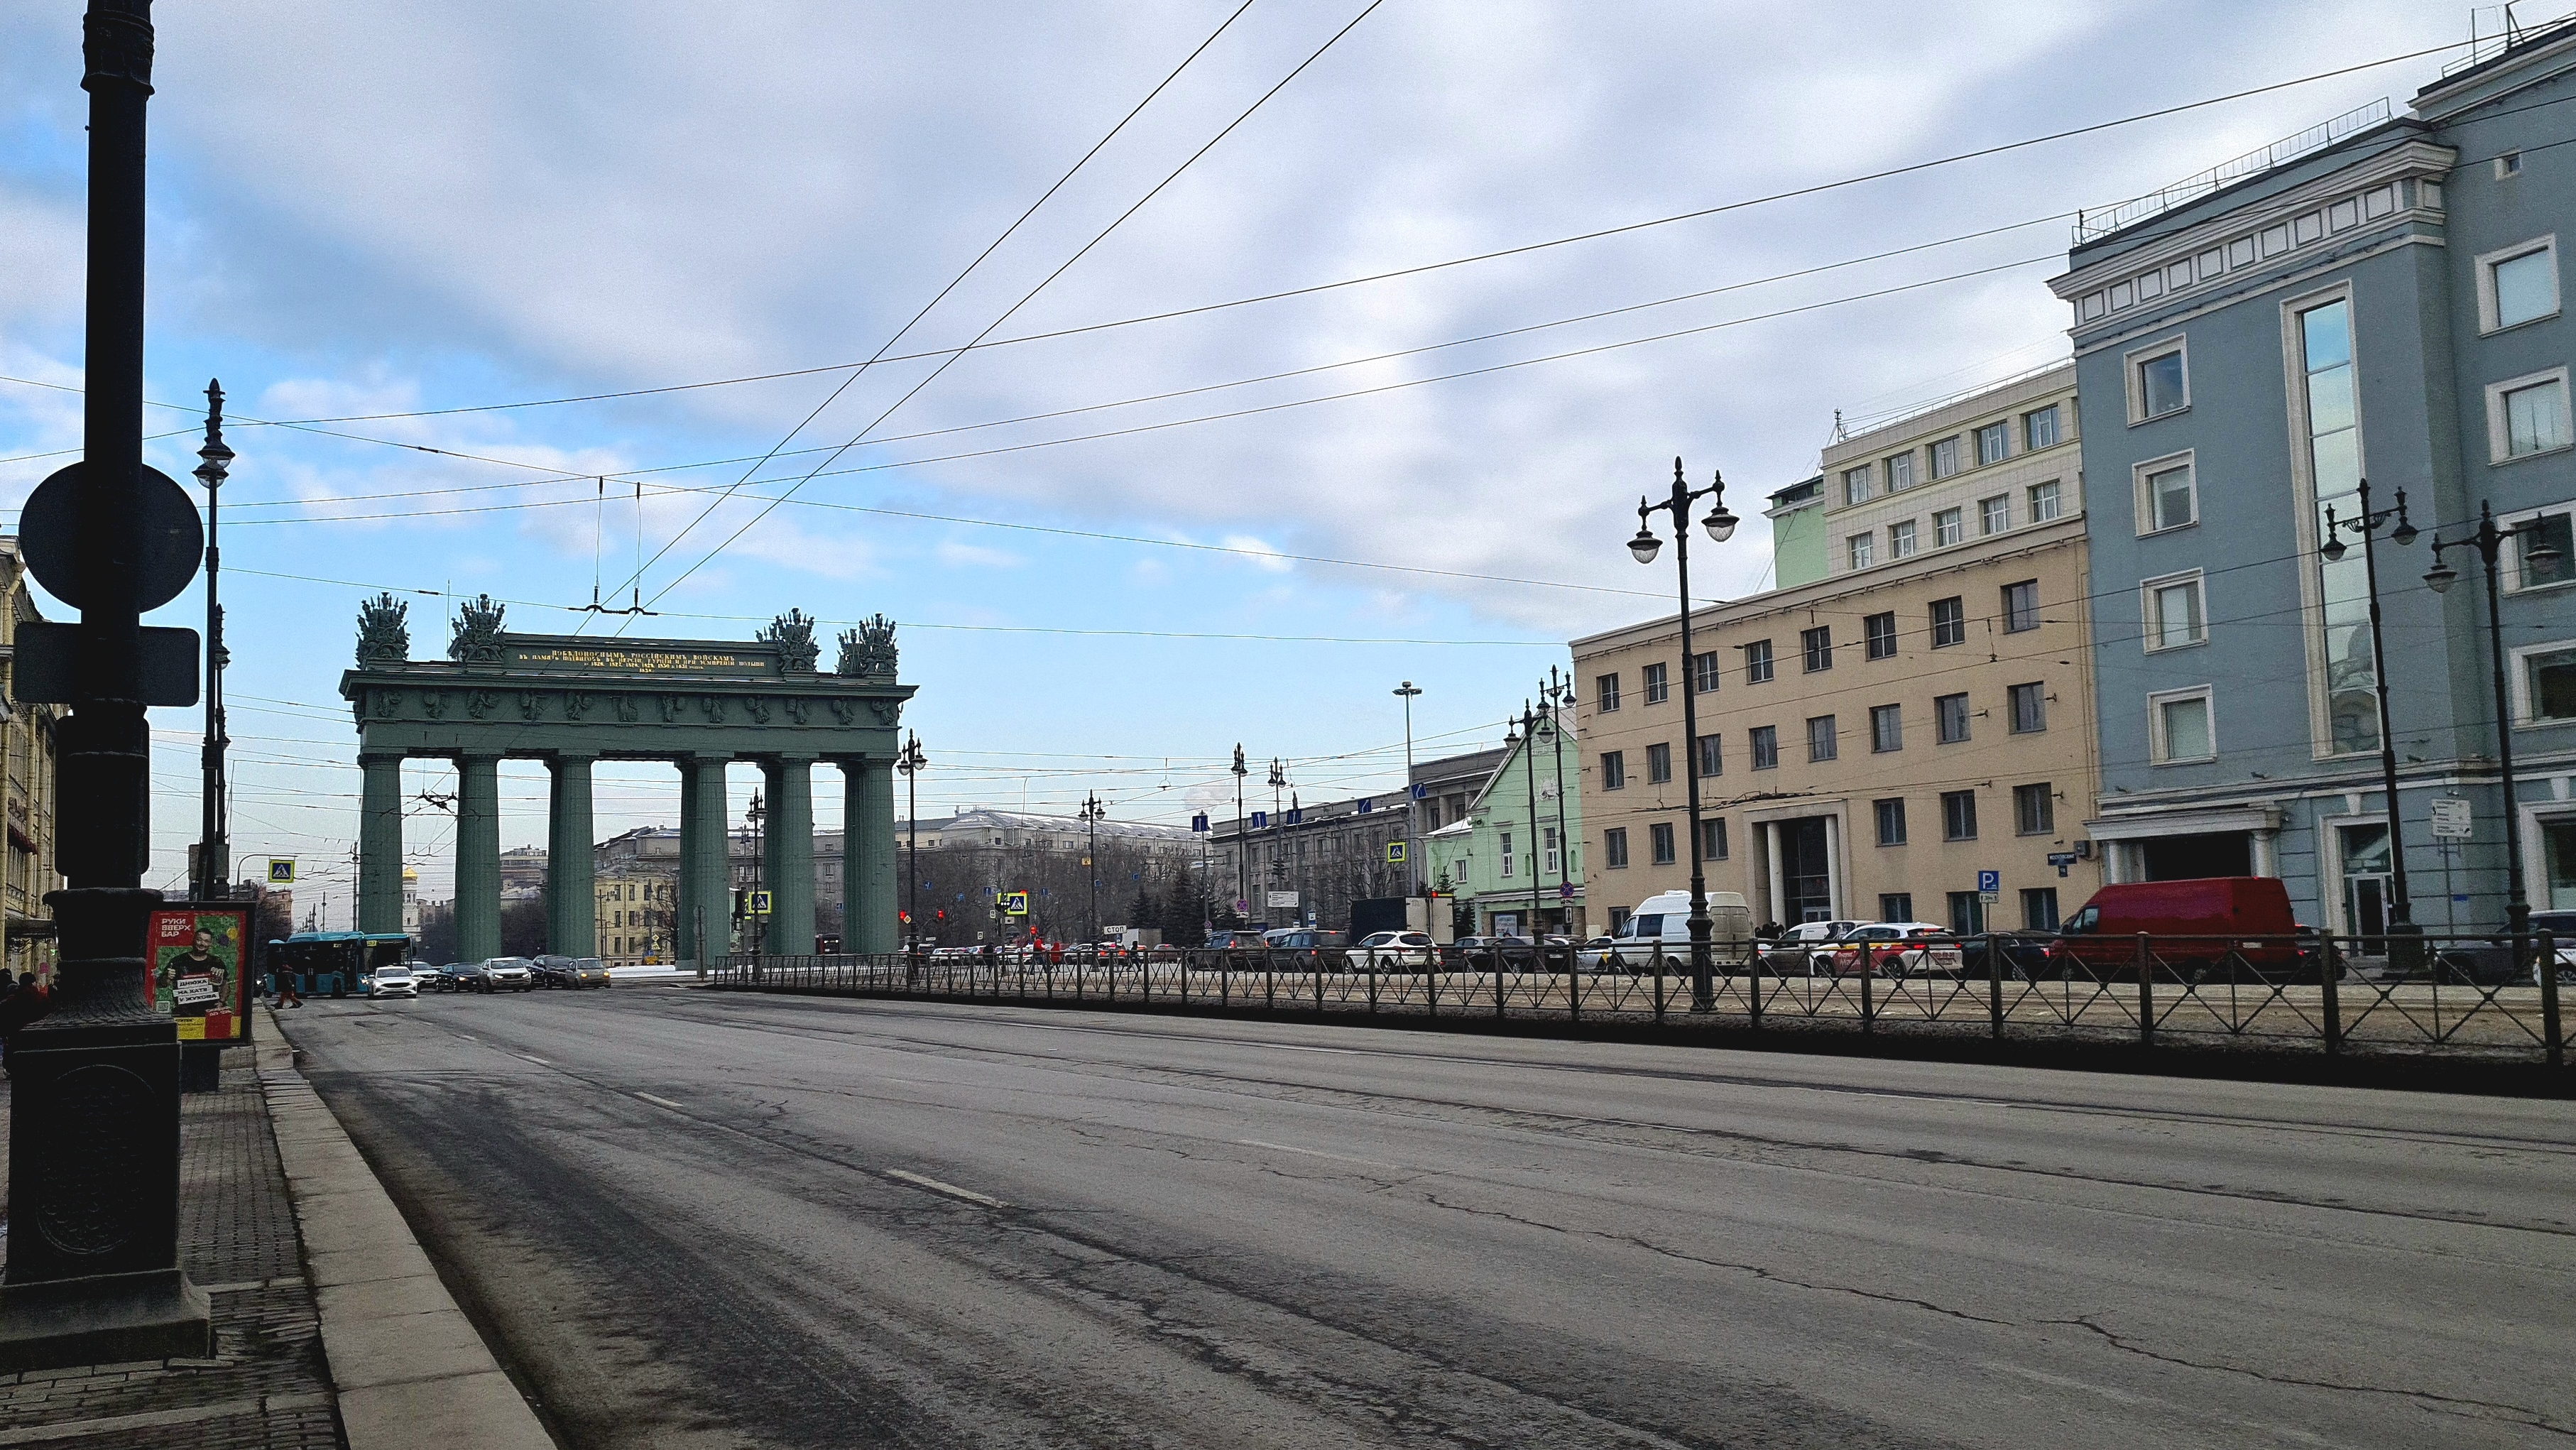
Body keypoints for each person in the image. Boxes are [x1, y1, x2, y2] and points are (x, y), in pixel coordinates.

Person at [0, 971, 48, 1076]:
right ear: (33, 983)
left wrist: (4, 1036)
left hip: (16, 1037)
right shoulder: (43, 999)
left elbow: (3, 1020)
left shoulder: (11, 1001)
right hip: (38, 1037)